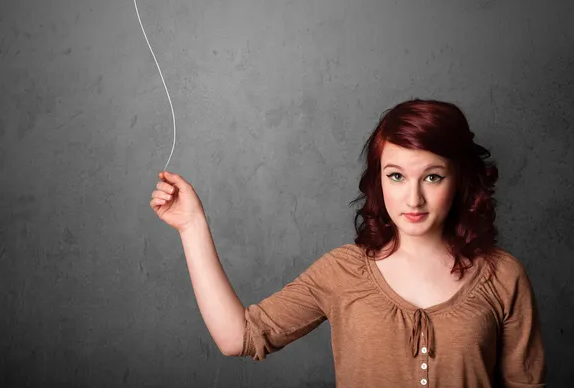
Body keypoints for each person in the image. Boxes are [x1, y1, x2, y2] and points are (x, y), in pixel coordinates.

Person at [150, 98, 546, 387]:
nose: (413, 199)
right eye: (396, 176)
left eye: (432, 176)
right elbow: (239, 336)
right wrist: (192, 226)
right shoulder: (342, 271)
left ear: (459, 180)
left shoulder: (503, 276)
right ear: (378, 180)